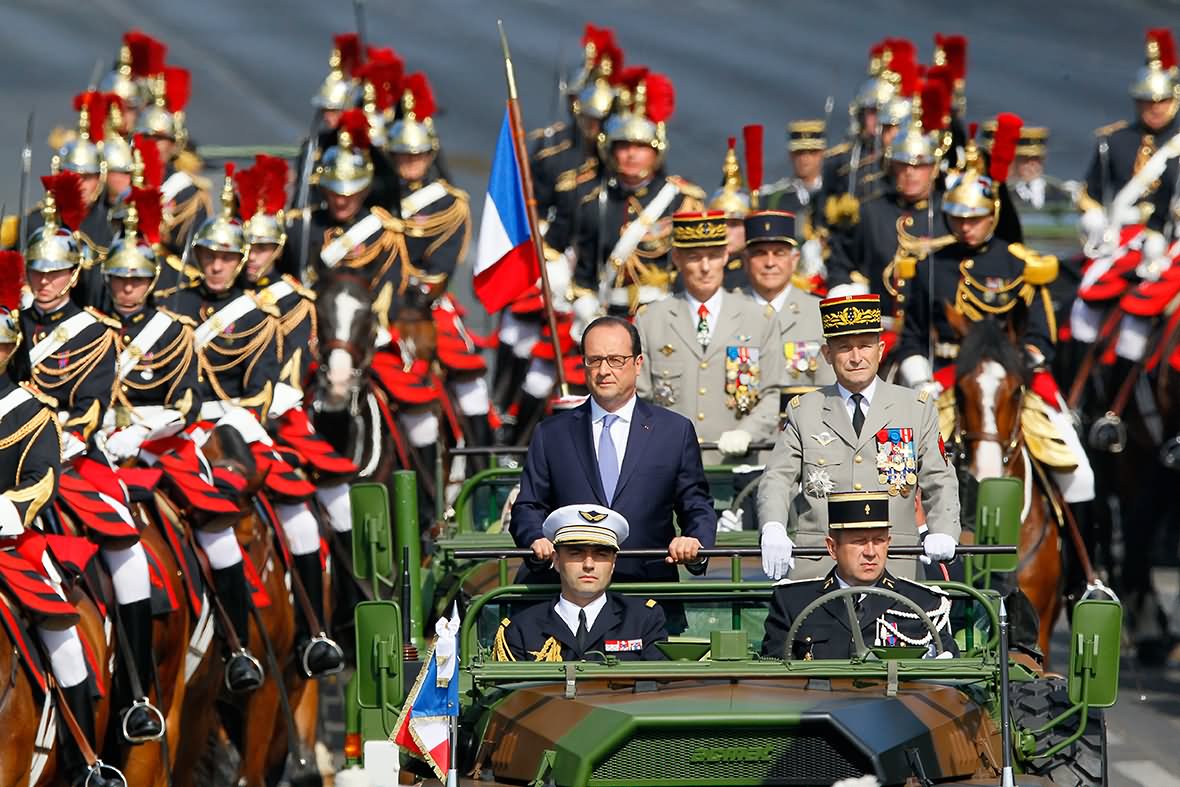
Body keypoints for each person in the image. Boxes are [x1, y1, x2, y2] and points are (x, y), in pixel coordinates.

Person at [895, 131, 1095, 508]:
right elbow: (913, 336)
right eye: (958, 218)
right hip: (948, 378)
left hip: (1015, 378)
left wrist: (1023, 364)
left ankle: (1083, 562)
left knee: (1079, 473)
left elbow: (1040, 334)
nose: (965, 227)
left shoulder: (1019, 264)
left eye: (975, 218)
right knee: (899, 470)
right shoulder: (929, 267)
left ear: (994, 214)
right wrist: (922, 380)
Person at [756, 293, 960, 581]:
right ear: (827, 355)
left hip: (895, 562)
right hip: (820, 565)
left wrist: (943, 530)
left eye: (865, 346)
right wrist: (773, 526)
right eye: (844, 348)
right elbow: (777, 478)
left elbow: (940, 479)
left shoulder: (915, 408)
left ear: (880, 349)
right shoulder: (805, 411)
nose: (855, 358)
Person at [511, 315, 716, 582]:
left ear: (638, 363)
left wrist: (695, 543)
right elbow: (529, 506)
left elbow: (696, 503)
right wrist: (536, 539)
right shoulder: (552, 434)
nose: (604, 370)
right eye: (594, 360)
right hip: (571, 593)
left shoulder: (673, 432)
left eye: (616, 360)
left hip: (647, 591)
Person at [635, 211, 785, 464]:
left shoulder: (759, 318)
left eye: (714, 256)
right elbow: (640, 397)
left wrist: (747, 432)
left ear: (726, 255)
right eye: (694, 257)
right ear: (677, 258)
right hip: (671, 463)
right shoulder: (652, 320)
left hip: (740, 463)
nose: (705, 267)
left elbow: (774, 393)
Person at [760, 491, 956, 661]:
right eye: (859, 542)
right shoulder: (794, 603)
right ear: (832, 547)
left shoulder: (923, 604)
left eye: (878, 541)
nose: (871, 552)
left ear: (888, 543)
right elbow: (774, 676)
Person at [570, 69, 704, 317]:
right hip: (612, 314)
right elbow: (585, 274)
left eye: (640, 147)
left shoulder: (680, 199)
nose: (631, 155)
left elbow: (694, 266)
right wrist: (584, 305)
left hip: (666, 313)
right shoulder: (595, 200)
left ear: (656, 152)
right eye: (623, 146)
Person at [826, 78, 952, 335]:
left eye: (919, 167)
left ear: (934, 169)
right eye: (903, 166)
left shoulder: (949, 213)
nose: (911, 174)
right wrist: (847, 292)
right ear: (891, 167)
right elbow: (840, 261)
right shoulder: (870, 211)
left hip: (938, 332)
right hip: (881, 329)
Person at [494, 504, 668, 662]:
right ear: (556, 560)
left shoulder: (643, 619)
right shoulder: (521, 628)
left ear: (613, 562)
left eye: (601, 554)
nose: (589, 565)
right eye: (576, 553)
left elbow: (657, 689)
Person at [1078, 29, 1178, 239]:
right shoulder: (1114, 141)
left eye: (1162, 101)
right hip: (1121, 238)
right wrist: (1095, 218)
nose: (1155, 108)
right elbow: (1092, 194)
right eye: (1147, 101)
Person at [741, 210, 833, 414]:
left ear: (794, 259)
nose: (770, 263)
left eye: (779, 253)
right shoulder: (728, 311)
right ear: (746, 260)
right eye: (760, 253)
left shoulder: (819, 313)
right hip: (737, 434)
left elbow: (832, 390)